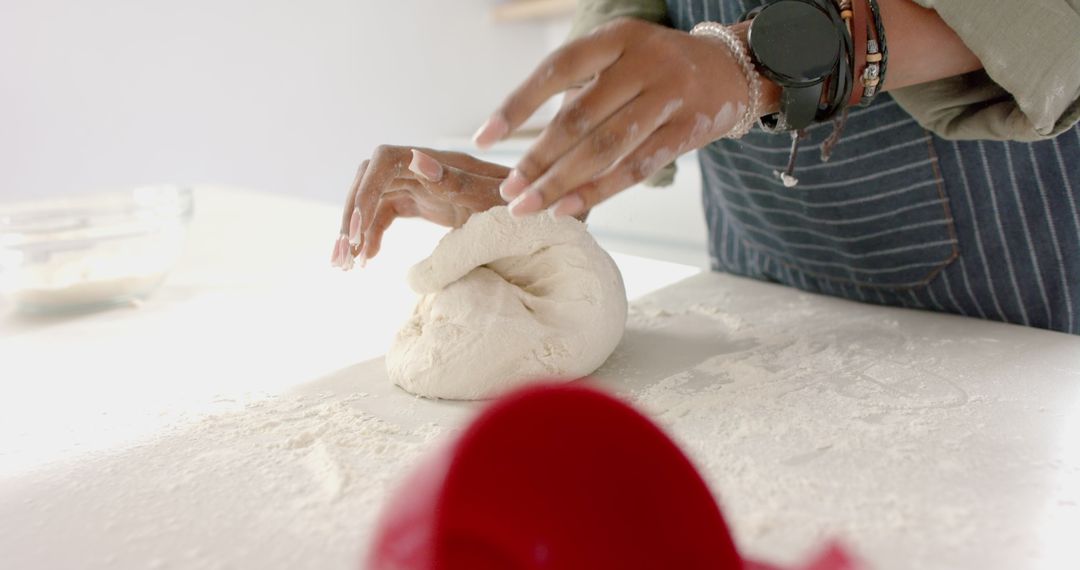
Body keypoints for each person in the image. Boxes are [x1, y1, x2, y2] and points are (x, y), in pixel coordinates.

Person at [331, 0, 1080, 335]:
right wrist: (548, 182)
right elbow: (634, 11)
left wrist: (760, 60)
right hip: (759, 288)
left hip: (1006, 288)